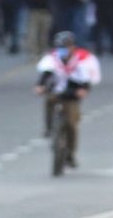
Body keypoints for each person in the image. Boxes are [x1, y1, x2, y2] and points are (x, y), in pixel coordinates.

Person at [35, 29, 101, 167]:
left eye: (66, 46)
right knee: (49, 100)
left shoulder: (81, 60)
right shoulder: (52, 59)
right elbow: (45, 74)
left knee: (71, 124)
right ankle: (48, 127)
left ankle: (70, 153)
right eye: (60, 47)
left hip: (72, 94)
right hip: (56, 91)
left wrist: (83, 90)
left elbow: (86, 80)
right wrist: (40, 86)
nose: (63, 50)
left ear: (72, 47)